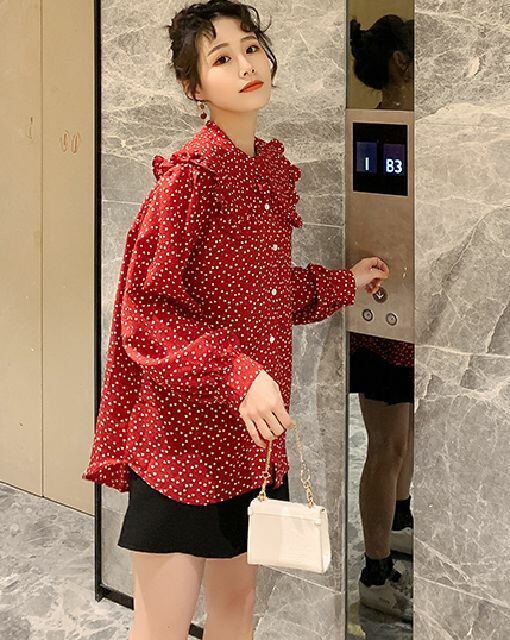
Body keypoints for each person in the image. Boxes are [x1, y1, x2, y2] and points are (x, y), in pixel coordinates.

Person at [82, 2, 388, 638]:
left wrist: (346, 283)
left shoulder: (261, 171)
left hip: (248, 447)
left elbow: (266, 296)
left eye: (251, 48)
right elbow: (145, 313)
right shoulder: (190, 179)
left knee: (237, 608)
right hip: (181, 444)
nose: (246, 65)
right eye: (222, 58)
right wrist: (238, 372)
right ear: (194, 86)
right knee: (162, 626)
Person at [349, 14, 415, 622]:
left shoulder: (407, 128)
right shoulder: (383, 131)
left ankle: (398, 523)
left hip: (408, 308)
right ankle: (375, 572)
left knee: (403, 436)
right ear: (400, 61)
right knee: (386, 443)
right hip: (384, 315)